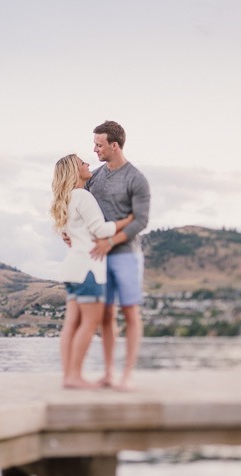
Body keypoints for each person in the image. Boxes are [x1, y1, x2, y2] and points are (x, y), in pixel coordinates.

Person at [50, 153, 133, 389]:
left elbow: (67, 234)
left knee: (71, 323)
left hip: (72, 268)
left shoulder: (64, 199)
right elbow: (101, 229)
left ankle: (68, 376)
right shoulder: (83, 196)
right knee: (89, 322)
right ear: (75, 171)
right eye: (82, 163)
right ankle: (74, 376)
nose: (87, 164)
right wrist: (127, 221)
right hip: (88, 269)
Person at [88, 120, 151, 391]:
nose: (94, 149)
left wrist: (111, 241)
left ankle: (128, 374)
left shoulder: (136, 179)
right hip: (99, 257)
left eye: (99, 145)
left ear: (114, 145)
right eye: (94, 144)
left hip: (126, 255)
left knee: (130, 312)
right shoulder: (95, 178)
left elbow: (140, 221)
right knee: (104, 315)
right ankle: (109, 373)